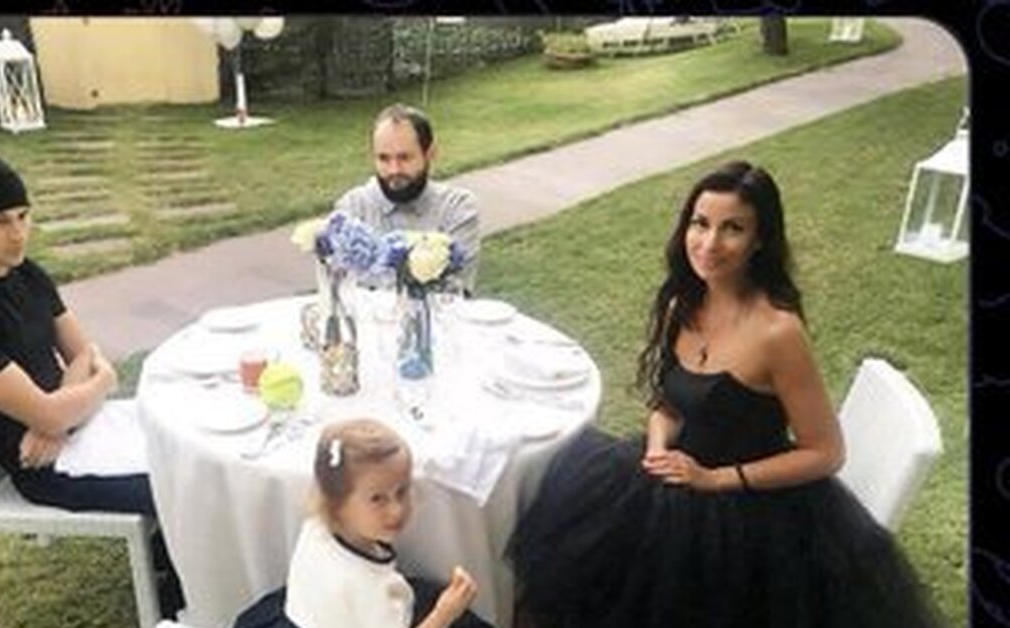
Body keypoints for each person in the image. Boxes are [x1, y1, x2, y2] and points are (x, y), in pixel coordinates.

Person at [506, 161, 943, 628]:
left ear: (760, 240)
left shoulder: (778, 332)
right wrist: (657, 446)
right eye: (701, 223)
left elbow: (826, 453)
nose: (710, 243)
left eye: (732, 228)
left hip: (747, 508)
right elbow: (670, 402)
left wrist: (715, 479)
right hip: (673, 474)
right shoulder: (682, 303)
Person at [0, 148, 184, 618]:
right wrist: (88, 391)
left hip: (73, 430)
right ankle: (184, 601)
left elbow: (80, 355)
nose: (18, 233)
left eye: (23, 215)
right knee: (186, 478)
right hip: (46, 469)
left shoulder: (25, 273)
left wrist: (59, 412)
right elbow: (85, 376)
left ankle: (173, 557)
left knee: (184, 436)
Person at [234, 418, 492, 628]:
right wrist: (445, 613)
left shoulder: (319, 522)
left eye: (402, 491)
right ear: (337, 501)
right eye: (378, 499)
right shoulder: (368, 589)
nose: (397, 510)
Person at [334, 103, 480, 293]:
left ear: (430, 154)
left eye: (404, 158)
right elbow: (340, 291)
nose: (394, 170)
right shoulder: (352, 208)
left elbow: (456, 292)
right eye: (384, 158)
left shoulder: (457, 207)